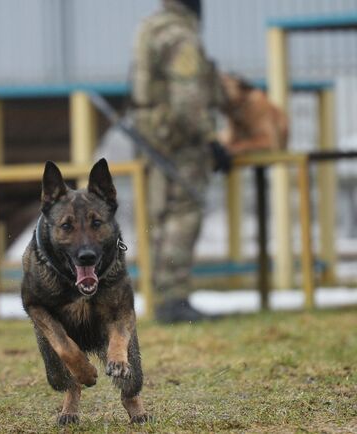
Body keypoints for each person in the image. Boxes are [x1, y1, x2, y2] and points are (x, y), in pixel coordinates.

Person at [131, 0, 229, 323]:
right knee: (183, 213)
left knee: (162, 214)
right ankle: (173, 299)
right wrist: (211, 138)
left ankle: (163, 297)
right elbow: (188, 99)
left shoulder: (151, 27)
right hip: (179, 140)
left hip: (153, 135)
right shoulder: (181, 34)